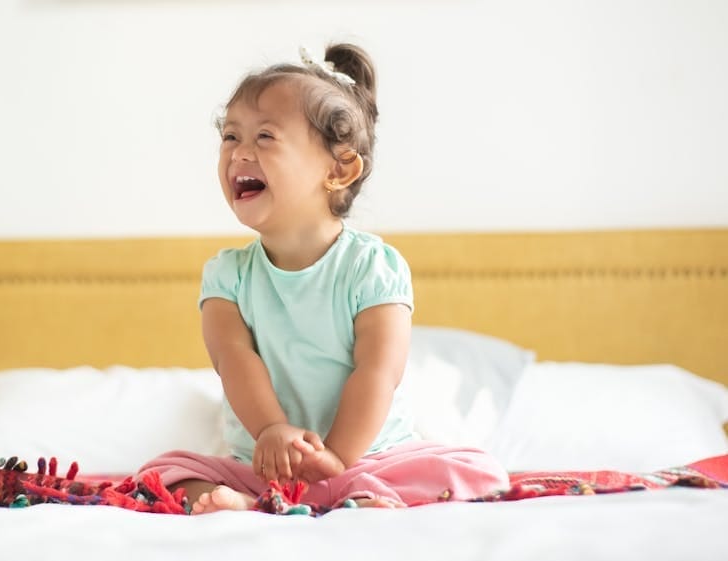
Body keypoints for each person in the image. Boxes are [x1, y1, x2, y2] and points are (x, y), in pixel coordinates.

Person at [138, 43, 509, 514]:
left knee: (477, 471)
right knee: (161, 475)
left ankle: (356, 494)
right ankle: (262, 502)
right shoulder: (226, 276)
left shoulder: (373, 267)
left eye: (265, 137)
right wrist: (272, 431)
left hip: (368, 458)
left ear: (338, 169)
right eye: (231, 137)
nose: (239, 153)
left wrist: (336, 457)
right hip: (262, 466)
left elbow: (377, 371)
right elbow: (234, 361)